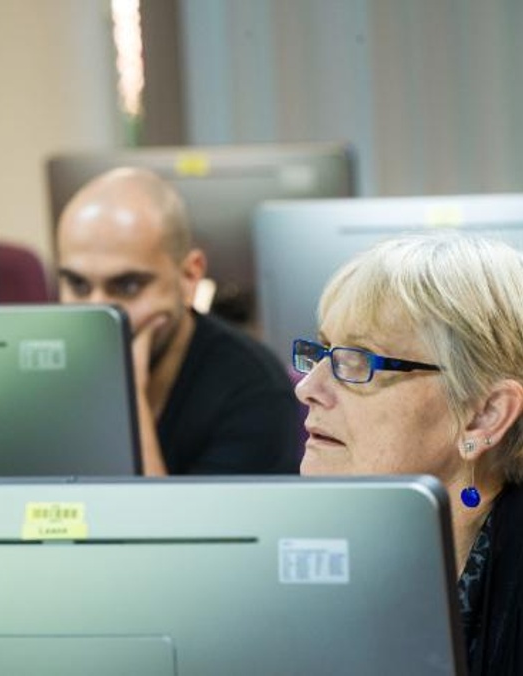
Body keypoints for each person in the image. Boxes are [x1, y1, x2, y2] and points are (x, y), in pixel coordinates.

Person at [293, 233, 523, 675]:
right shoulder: (319, 548)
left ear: (484, 416)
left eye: (358, 361)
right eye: (323, 353)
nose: (308, 389)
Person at [56, 167, 300, 476]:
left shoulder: (254, 390)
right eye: (78, 285)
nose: (97, 311)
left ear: (189, 277)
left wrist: (131, 399)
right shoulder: (37, 376)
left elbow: (170, 525)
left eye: (128, 286)